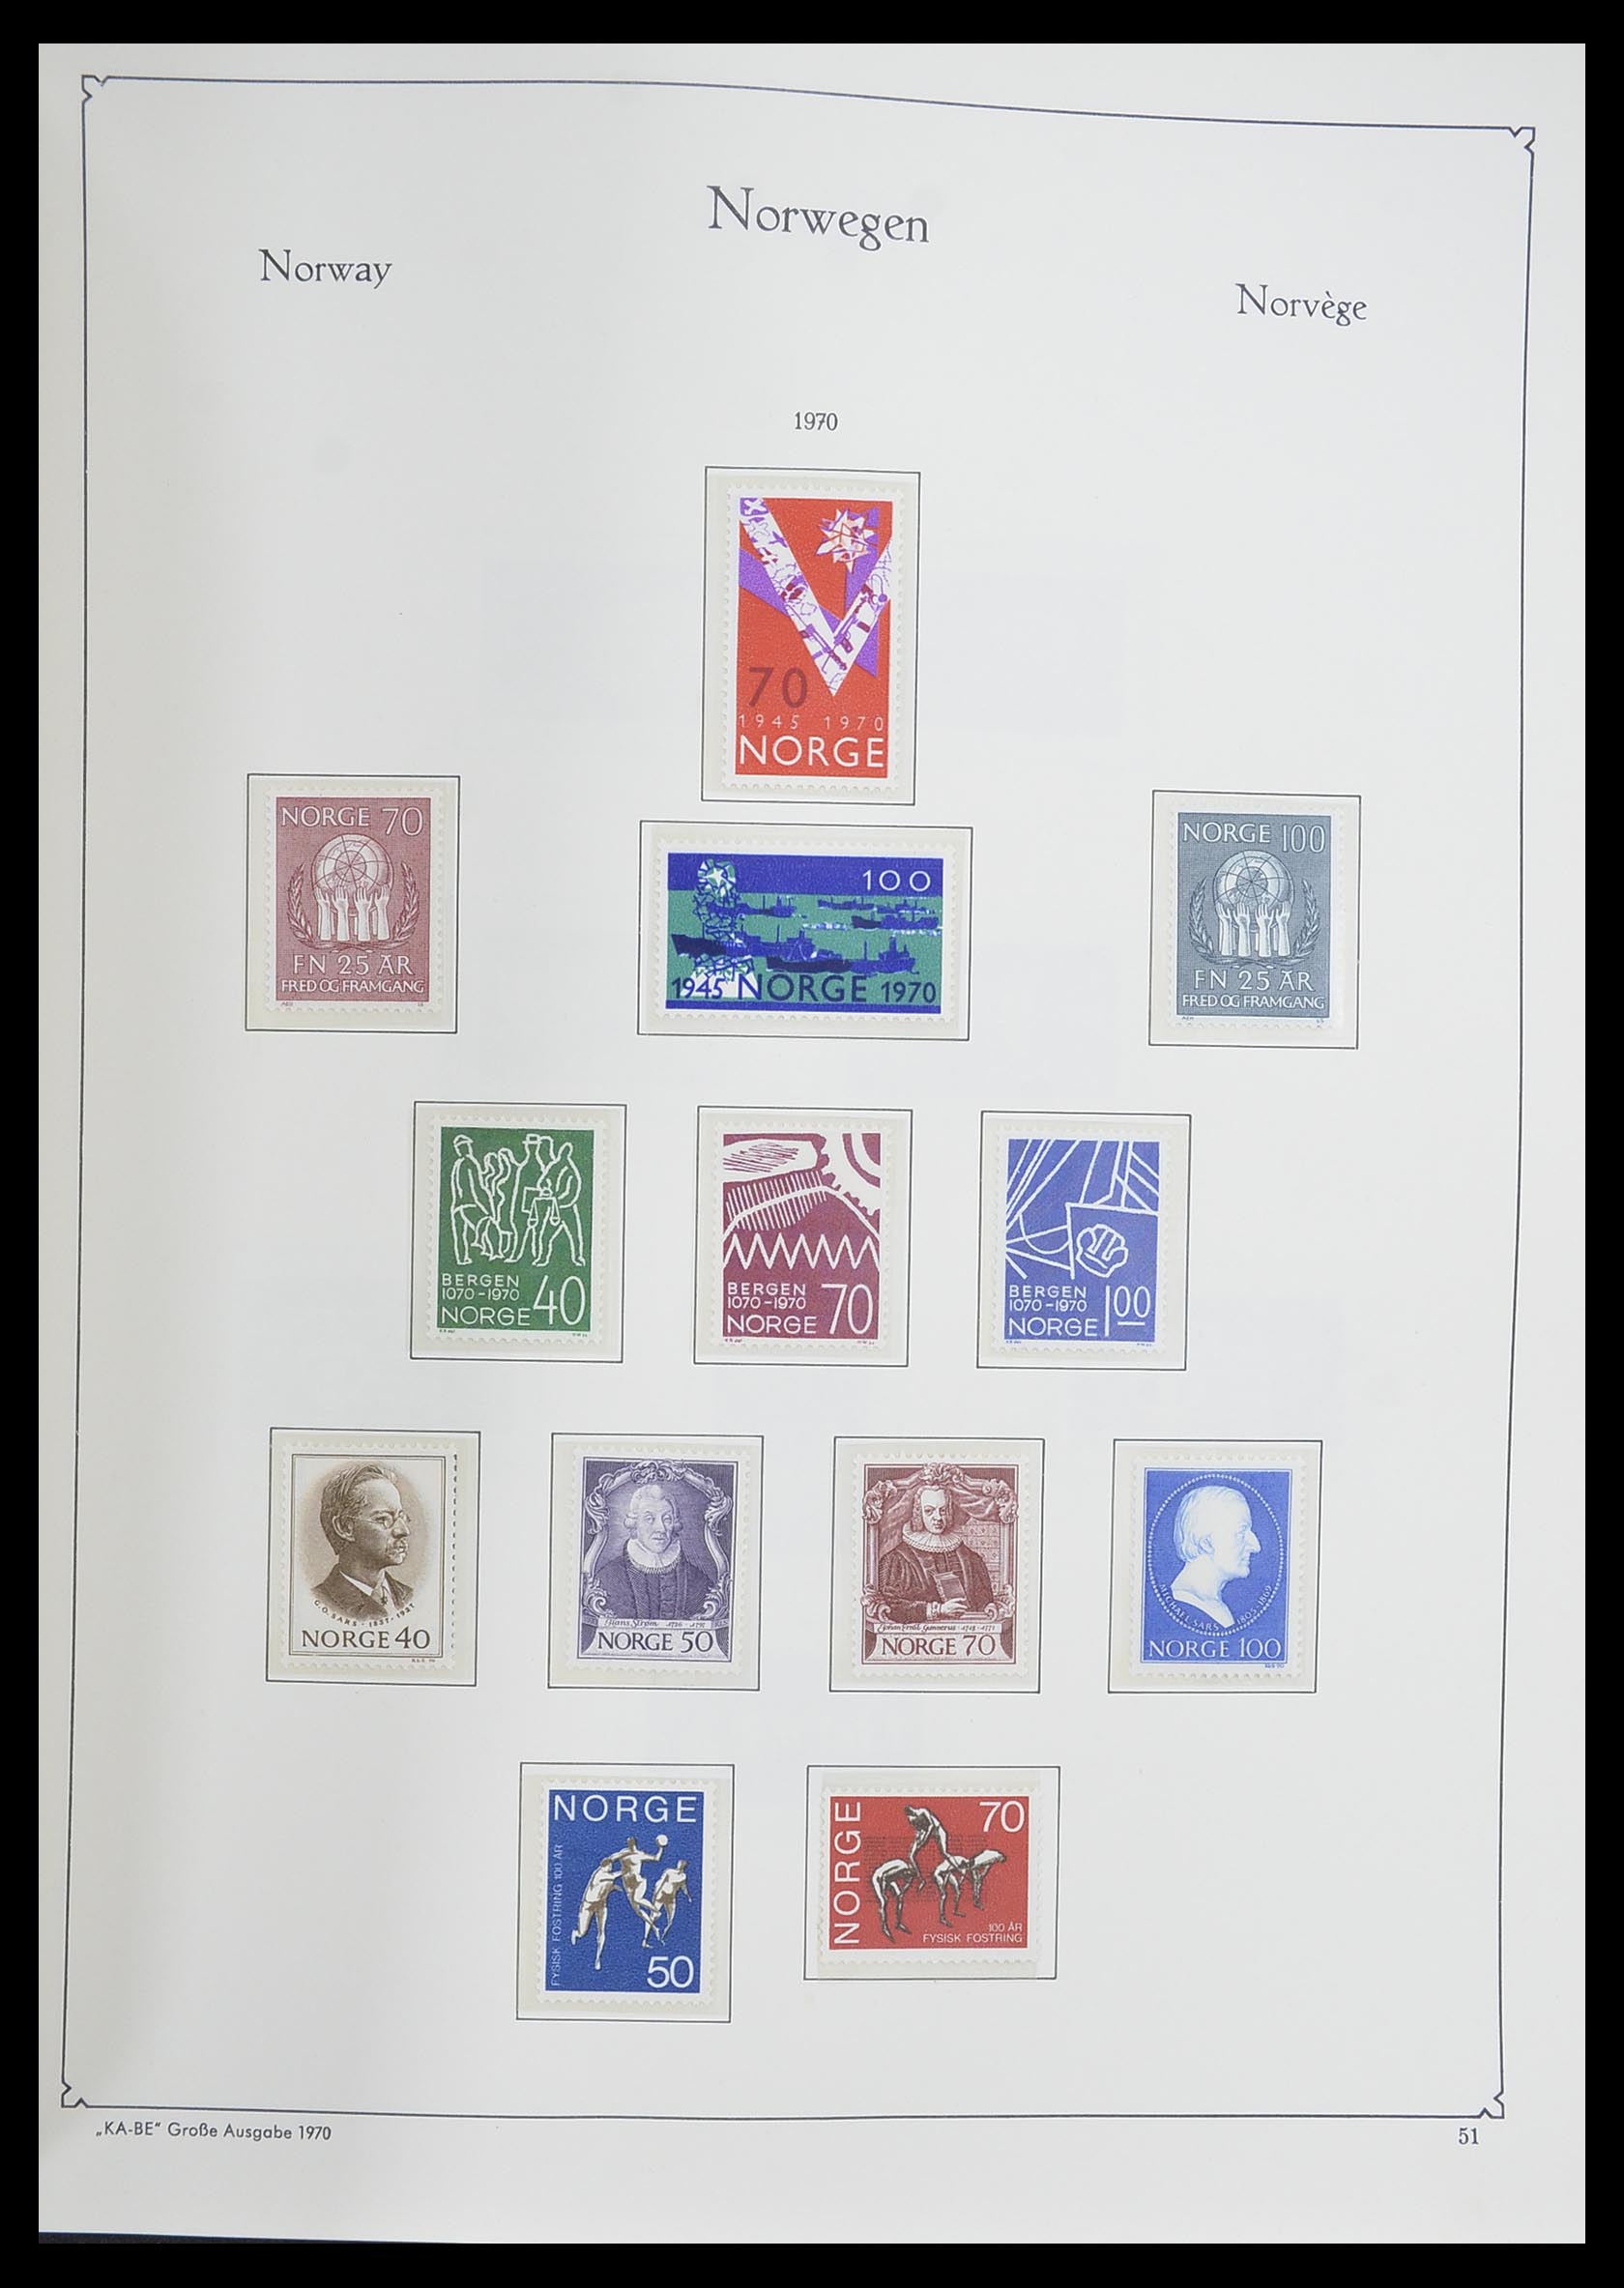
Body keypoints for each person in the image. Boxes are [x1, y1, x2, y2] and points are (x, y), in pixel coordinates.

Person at [875, 1483, 998, 1626]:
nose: (938, 1517)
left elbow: (982, 1595)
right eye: (929, 1511)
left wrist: (988, 1607)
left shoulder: (970, 1558)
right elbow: (892, 1605)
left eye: (943, 1510)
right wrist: (939, 1610)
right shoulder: (897, 1559)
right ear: (918, 1512)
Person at [593, 1486, 715, 1624]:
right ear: (635, 1523)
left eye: (667, 1519)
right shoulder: (608, 1578)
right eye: (649, 1519)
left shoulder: (698, 1580)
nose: (661, 1528)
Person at [311, 1464, 415, 1621]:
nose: (403, 1530)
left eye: (401, 1517)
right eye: (383, 1519)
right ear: (345, 1527)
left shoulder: (409, 1596)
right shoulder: (320, 1601)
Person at [1167, 1482, 1262, 1627]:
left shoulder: (1216, 1605)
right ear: (1207, 1543)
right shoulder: (1184, 1601)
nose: (1256, 1547)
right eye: (1241, 1532)